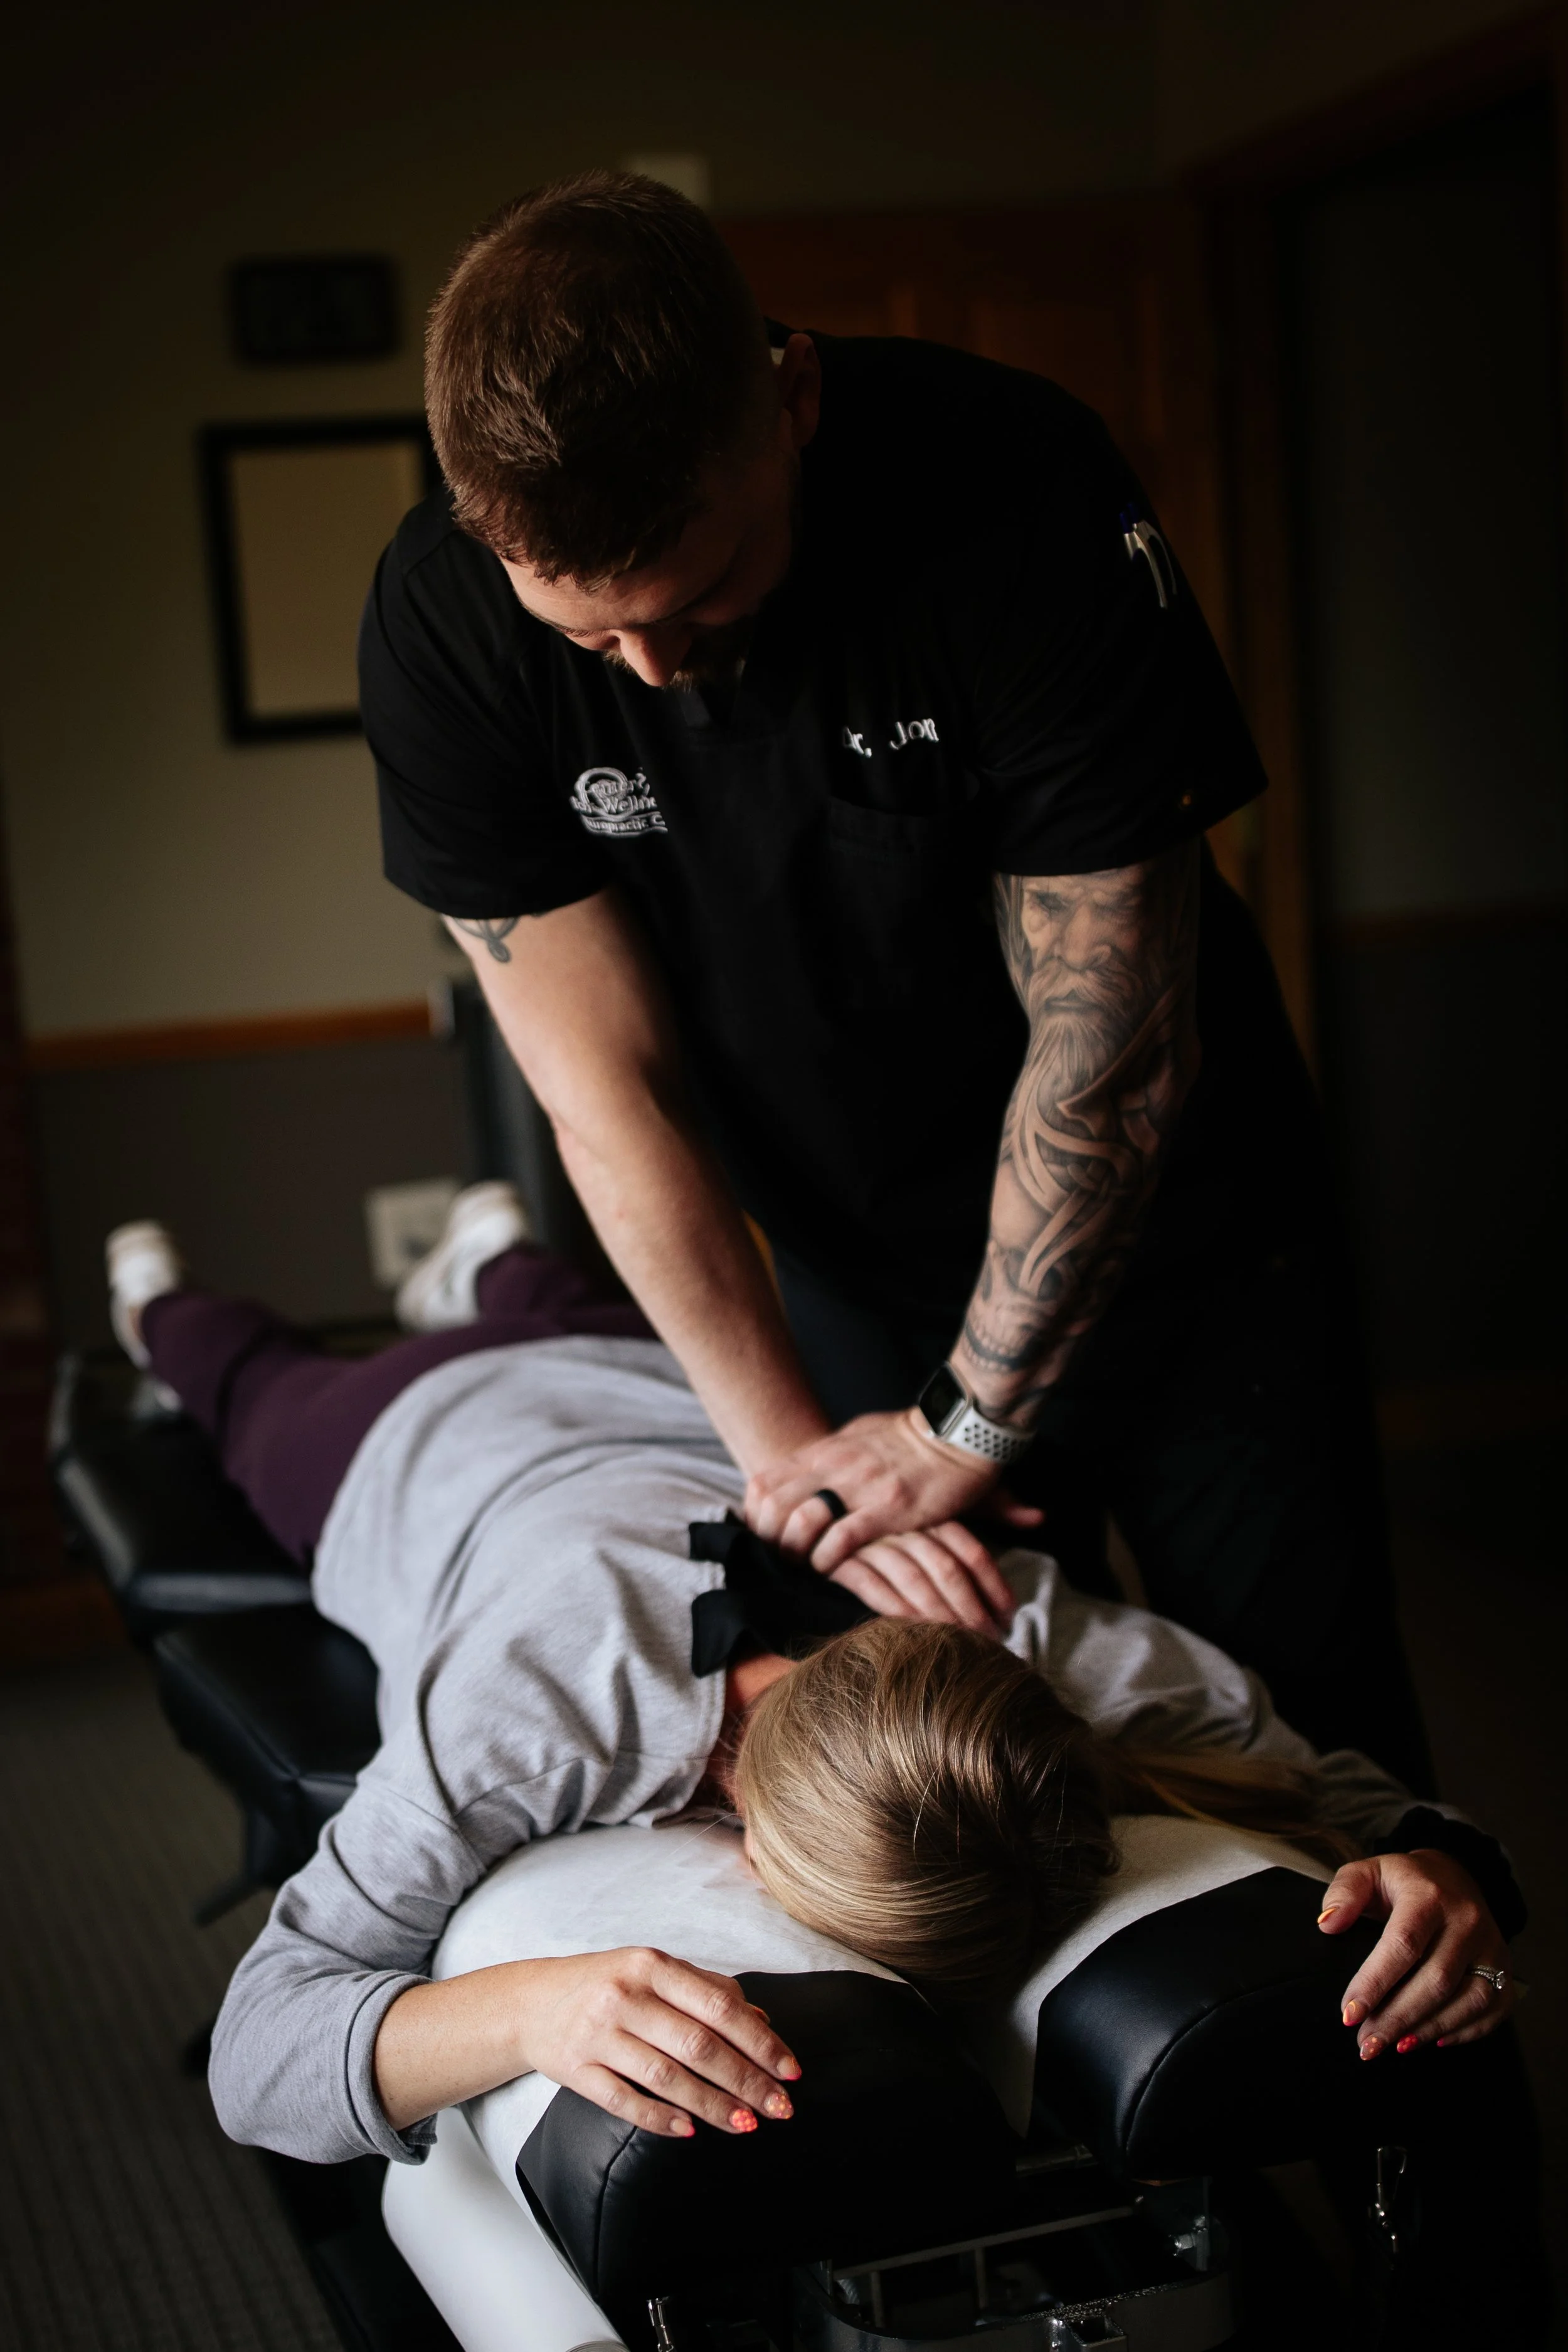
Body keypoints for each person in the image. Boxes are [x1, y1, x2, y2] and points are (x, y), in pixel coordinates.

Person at [361, 170, 1429, 1791]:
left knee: (1319, 1754)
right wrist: (795, 1457)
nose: (652, 669)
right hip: (856, 1261)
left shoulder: (1010, 486)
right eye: (593, 643)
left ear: (787, 398)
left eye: (701, 594)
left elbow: (1110, 1046)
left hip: (1193, 1248)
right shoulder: (442, 624)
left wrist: (969, 1424)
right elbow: (604, 1090)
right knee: (958, 1750)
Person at [102, 1205, 1517, 2177]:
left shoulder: (1027, 1632)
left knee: (553, 1295)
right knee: (231, 1366)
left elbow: (1350, 1793)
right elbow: (260, 2050)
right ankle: (156, 1285)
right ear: (738, 1824)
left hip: (660, 1389)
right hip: (413, 1448)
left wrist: (1431, 1862)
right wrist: (531, 2013)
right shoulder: (531, 1722)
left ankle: (487, 1257)